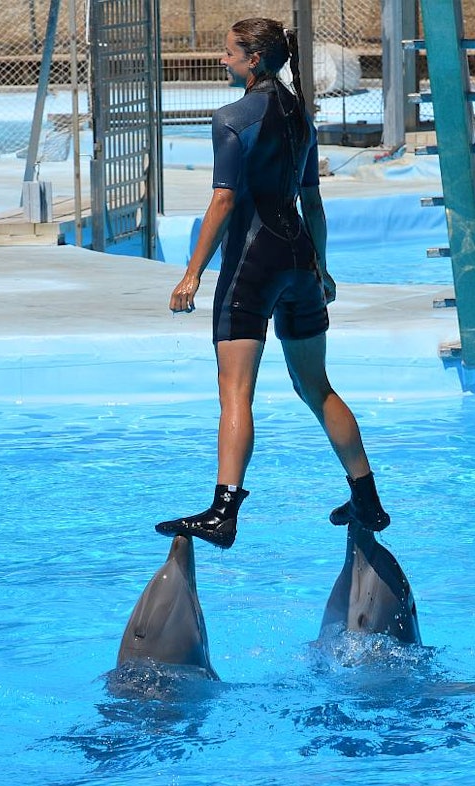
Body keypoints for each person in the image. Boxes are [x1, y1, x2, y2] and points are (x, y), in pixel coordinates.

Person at [155, 17, 389, 549]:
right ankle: (367, 497)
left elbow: (224, 199)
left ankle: (223, 511)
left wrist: (191, 275)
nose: (223, 60)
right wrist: (322, 269)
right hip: (300, 260)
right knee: (317, 387)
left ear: (253, 59)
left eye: (229, 52)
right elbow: (313, 202)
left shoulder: (232, 118)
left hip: (252, 267)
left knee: (236, 392)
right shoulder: (300, 117)